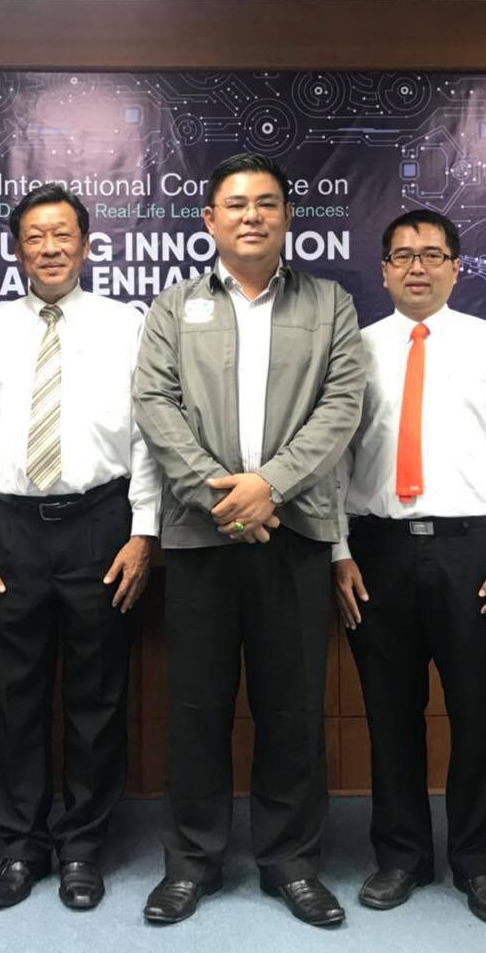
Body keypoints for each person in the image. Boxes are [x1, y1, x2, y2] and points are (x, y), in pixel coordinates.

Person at [132, 151, 364, 928]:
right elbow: (155, 405)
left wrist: (271, 487)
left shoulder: (329, 304)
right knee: (196, 707)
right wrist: (221, 496)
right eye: (236, 204)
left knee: (292, 708)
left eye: (266, 203)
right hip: (201, 539)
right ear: (210, 220)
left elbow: (341, 406)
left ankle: (291, 862)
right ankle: (190, 862)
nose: (252, 216)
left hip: (293, 535)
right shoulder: (173, 308)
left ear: (288, 216)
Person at [0, 183, 160, 911]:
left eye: (62, 234)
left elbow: (149, 437)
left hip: (100, 522)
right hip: (9, 528)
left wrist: (143, 531)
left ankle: (82, 848)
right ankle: (20, 846)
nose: (50, 248)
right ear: (17, 250)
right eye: (35, 236)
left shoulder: (127, 325)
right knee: (14, 695)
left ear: (86, 245)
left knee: (97, 695)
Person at [332, 210, 486, 926]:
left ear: (455, 266)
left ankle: (480, 863)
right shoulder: (355, 350)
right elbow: (336, 460)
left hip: (472, 549)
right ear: (384, 270)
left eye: (432, 254)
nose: (417, 267)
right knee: (389, 712)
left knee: (477, 710)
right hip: (377, 549)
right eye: (403, 255)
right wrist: (338, 551)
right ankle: (401, 856)